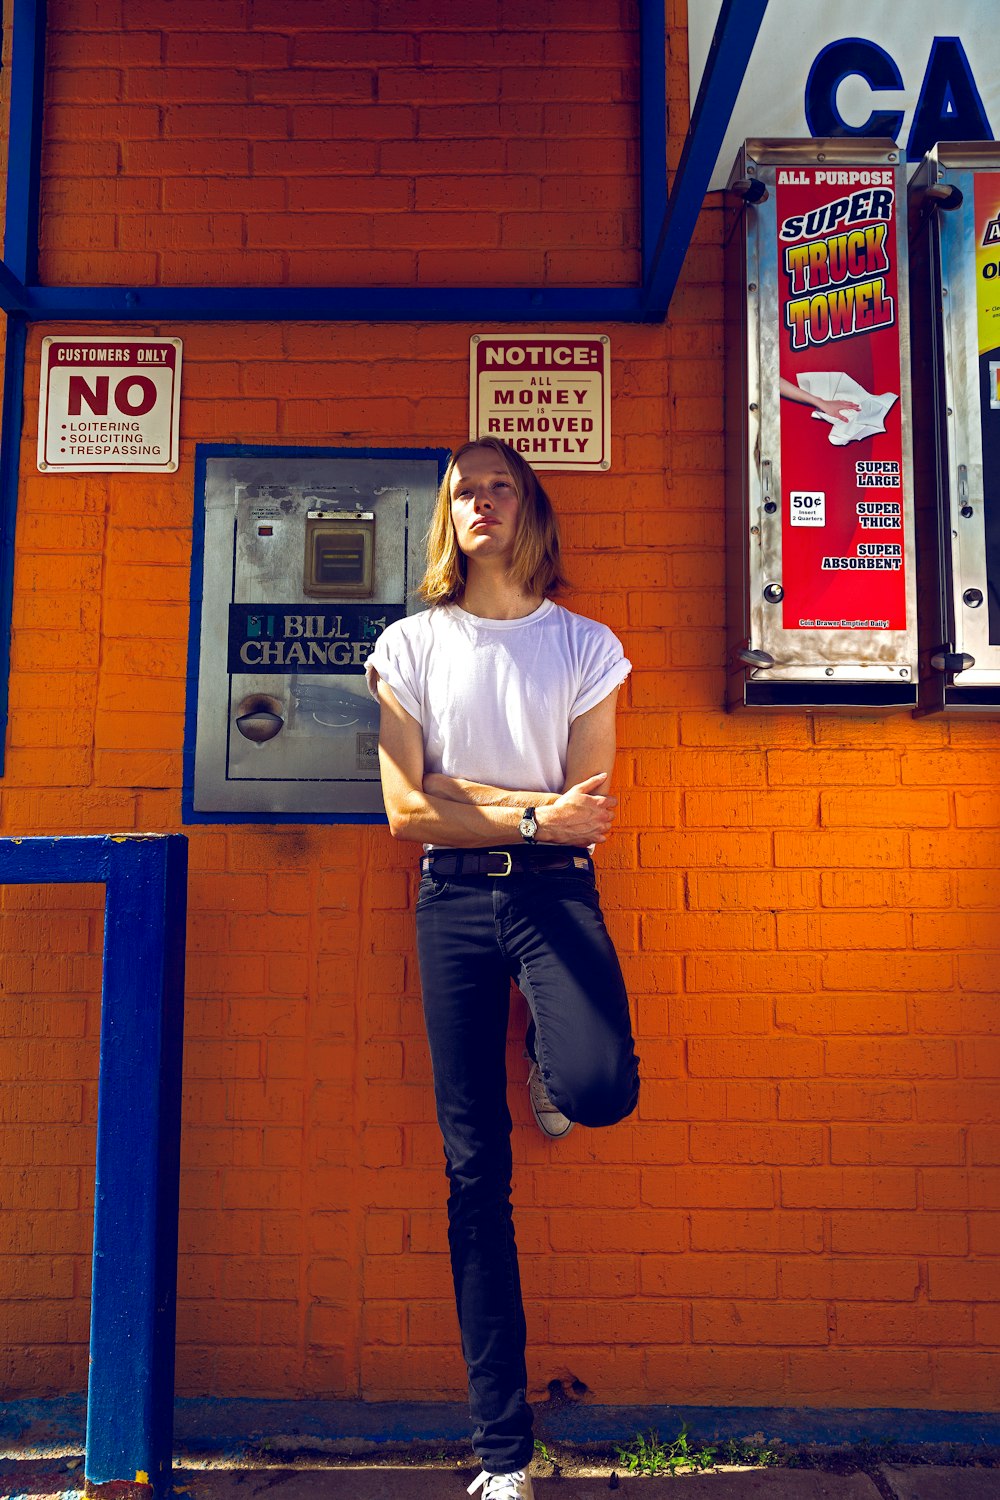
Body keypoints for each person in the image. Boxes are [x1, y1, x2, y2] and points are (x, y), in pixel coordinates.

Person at [365, 437, 640, 1500]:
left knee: (598, 1089)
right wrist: (523, 809)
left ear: (528, 509)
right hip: (451, 905)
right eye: (462, 491)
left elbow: (592, 809)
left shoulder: (585, 645)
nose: (480, 502)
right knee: (475, 1179)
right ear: (447, 519)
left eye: (499, 486)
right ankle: (503, 1453)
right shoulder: (409, 645)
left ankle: (549, 1054)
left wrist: (463, 790)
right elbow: (400, 810)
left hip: (554, 893)